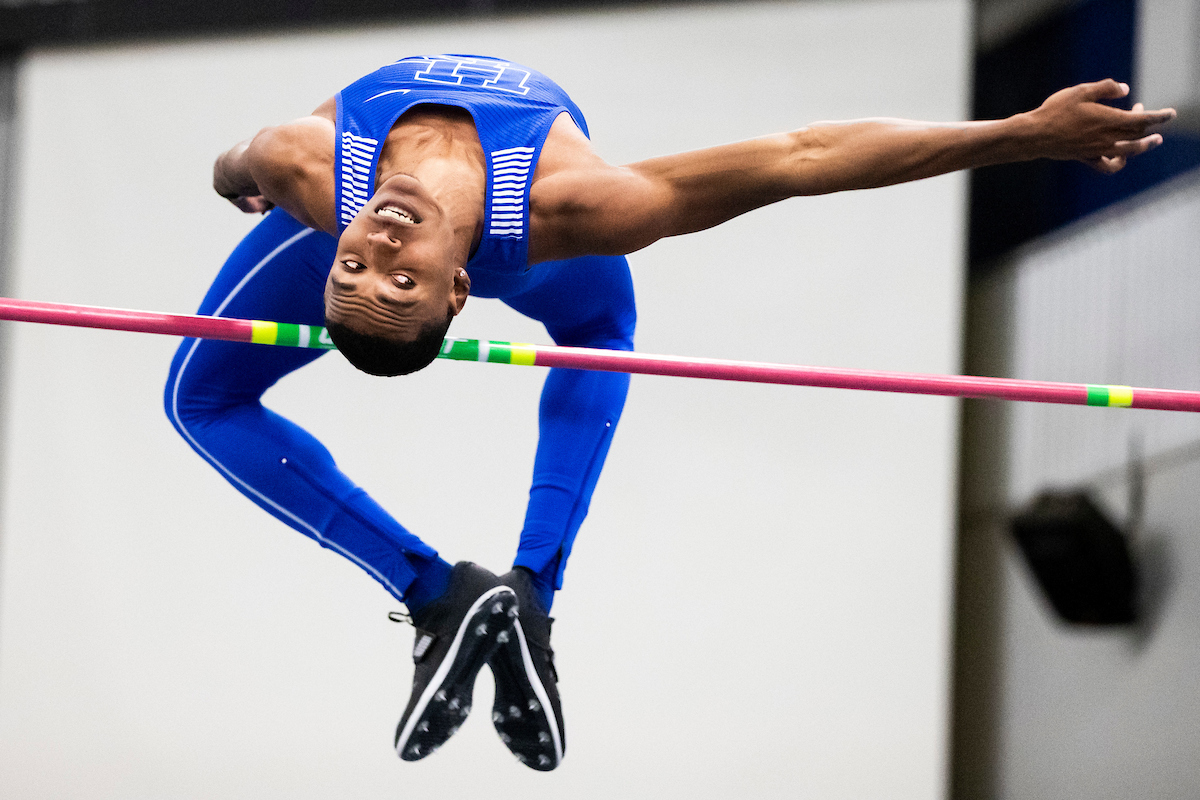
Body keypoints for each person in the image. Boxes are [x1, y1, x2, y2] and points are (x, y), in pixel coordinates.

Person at [168, 53, 1174, 770]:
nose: (378, 248)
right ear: (453, 289)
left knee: (208, 391)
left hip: (488, 220)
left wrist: (229, 174)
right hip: (534, 231)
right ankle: (468, 592)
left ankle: (500, 593)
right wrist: (1018, 138)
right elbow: (803, 156)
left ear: (458, 289)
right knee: (202, 394)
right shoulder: (576, 203)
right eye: (382, 273)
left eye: (366, 266)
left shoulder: (311, 167)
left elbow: (236, 164)